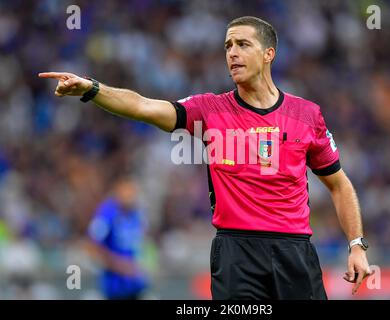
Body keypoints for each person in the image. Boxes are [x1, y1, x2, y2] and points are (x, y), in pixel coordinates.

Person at [39, 16, 372, 299]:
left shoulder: (306, 114)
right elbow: (143, 106)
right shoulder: (209, 109)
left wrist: (356, 244)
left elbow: (339, 185)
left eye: (243, 44)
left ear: (269, 53)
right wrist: (92, 88)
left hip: (295, 252)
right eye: (228, 46)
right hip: (235, 254)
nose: (232, 53)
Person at [86, 174, 149, 300]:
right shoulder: (107, 214)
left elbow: (140, 244)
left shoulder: (137, 214)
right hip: (115, 287)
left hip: (136, 285)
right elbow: (92, 247)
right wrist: (120, 265)